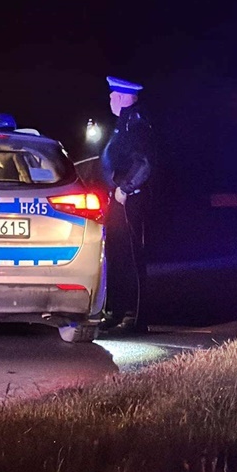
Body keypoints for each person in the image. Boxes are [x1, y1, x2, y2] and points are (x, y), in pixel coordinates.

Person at [100, 75, 154, 331]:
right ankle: (116, 311)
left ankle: (135, 317)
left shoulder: (137, 124)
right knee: (117, 256)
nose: (109, 100)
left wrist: (125, 188)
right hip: (120, 197)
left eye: (112, 96)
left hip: (131, 199)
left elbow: (144, 162)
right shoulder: (124, 123)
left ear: (122, 97)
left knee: (131, 257)